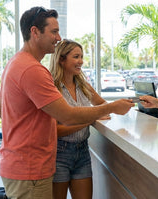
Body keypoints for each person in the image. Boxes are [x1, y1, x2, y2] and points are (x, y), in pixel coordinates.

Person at [0, 6, 134, 199]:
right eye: (54, 32)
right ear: (35, 32)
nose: (59, 38)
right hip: (30, 169)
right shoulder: (32, 70)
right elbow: (68, 116)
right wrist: (111, 107)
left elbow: (1, 112)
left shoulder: (15, 63)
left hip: (20, 164)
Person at [49, 39, 108, 199]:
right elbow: (55, 131)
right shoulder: (52, 88)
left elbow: (103, 105)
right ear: (61, 59)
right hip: (59, 154)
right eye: (76, 57)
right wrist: (88, 119)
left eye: (81, 56)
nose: (81, 61)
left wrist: (98, 112)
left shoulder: (84, 85)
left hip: (82, 152)